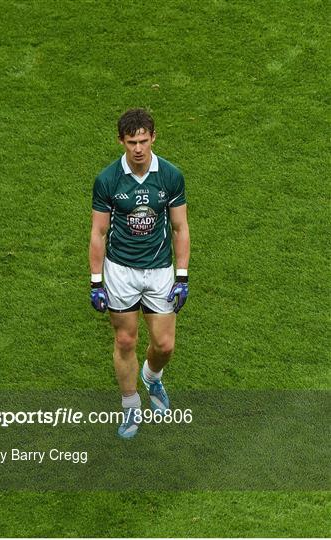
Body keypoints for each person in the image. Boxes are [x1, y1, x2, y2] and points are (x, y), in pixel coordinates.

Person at [89, 108, 190, 438]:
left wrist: (182, 275)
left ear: (153, 138)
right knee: (125, 339)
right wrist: (96, 282)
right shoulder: (107, 180)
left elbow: (179, 226)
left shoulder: (171, 176)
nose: (137, 148)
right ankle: (131, 408)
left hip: (160, 270)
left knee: (164, 345)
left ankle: (152, 377)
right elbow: (98, 232)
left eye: (143, 141)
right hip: (120, 271)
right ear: (121, 140)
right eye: (131, 142)